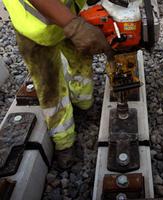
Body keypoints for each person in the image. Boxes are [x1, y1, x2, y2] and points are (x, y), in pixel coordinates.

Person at [3, 0, 112, 169]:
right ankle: (64, 141)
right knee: (50, 87)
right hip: (36, 28)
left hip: (71, 12)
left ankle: (84, 105)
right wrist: (75, 27)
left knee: (81, 62)